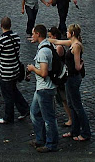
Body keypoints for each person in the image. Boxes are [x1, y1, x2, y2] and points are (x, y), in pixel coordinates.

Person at [48, 24, 91, 141]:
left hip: (73, 78)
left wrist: (81, 65)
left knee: (77, 106)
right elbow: (57, 41)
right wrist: (44, 39)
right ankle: (75, 131)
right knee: (72, 105)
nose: (66, 32)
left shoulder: (76, 46)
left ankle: (86, 132)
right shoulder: (72, 43)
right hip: (69, 78)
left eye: (68, 31)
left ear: (72, 34)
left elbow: (77, 66)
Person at [0, 17, 29, 124]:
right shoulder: (16, 37)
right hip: (15, 69)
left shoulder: (2, 40)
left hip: (5, 71)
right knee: (14, 91)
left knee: (7, 95)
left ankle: (8, 117)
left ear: (1, 26)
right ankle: (24, 108)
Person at [27, 24, 58, 153]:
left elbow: (44, 72)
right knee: (34, 113)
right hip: (41, 88)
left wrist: (33, 69)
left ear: (38, 34)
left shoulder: (43, 52)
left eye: (33, 34)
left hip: (45, 89)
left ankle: (51, 144)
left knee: (48, 118)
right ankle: (40, 139)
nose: (31, 36)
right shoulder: (47, 45)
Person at [47, 27, 72, 128]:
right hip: (58, 75)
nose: (49, 38)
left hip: (61, 75)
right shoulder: (56, 45)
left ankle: (71, 118)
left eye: (50, 36)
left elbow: (55, 60)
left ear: (54, 36)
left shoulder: (59, 47)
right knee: (62, 98)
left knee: (64, 99)